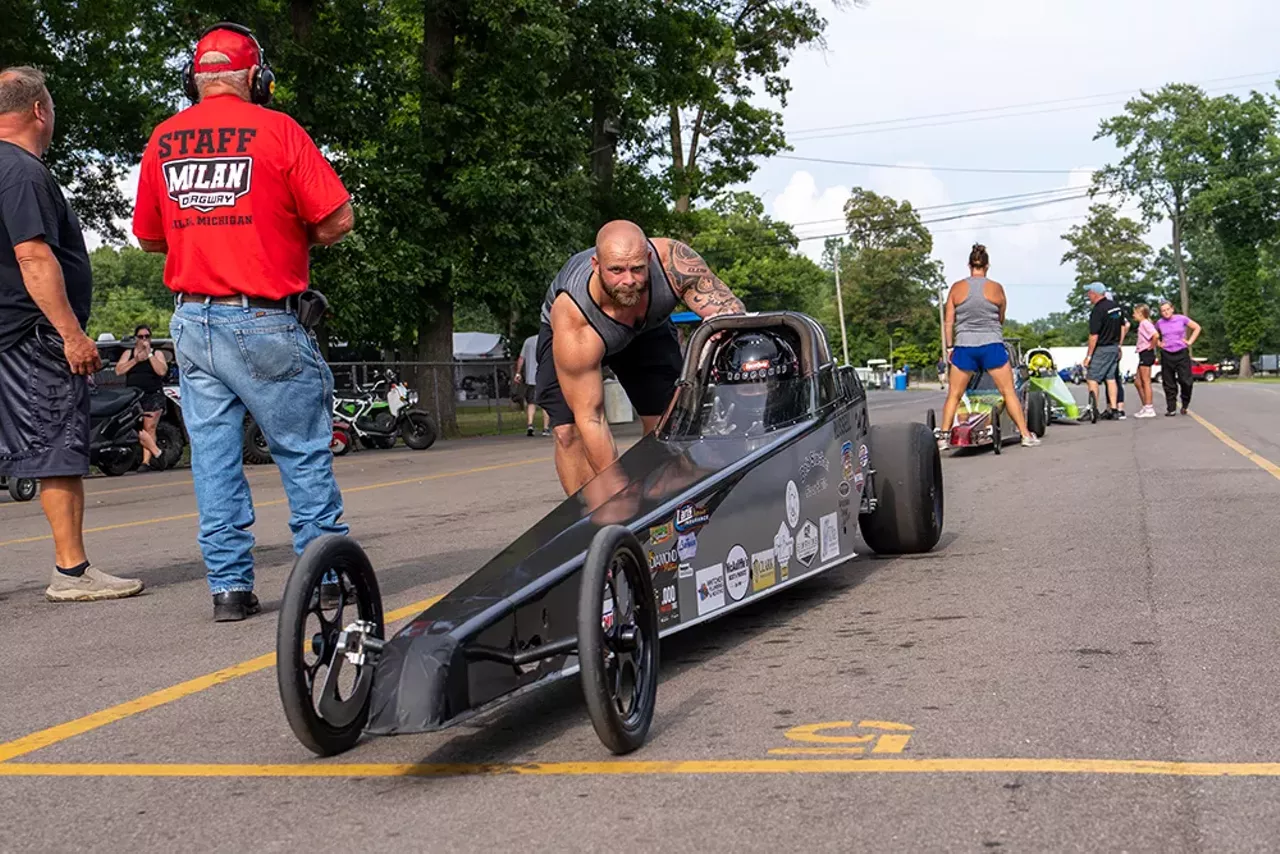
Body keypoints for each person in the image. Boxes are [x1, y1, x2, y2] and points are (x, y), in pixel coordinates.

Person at [132, 23, 355, 621]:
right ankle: (328, 579)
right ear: (257, 78)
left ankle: (229, 589)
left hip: (192, 323)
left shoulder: (163, 139)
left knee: (213, 460)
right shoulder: (279, 130)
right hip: (263, 319)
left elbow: (151, 237)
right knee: (303, 450)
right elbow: (337, 219)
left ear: (195, 79)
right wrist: (278, 233)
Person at [0, 67, 143, 601]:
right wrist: (71, 333)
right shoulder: (20, 171)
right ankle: (72, 572)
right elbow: (33, 256)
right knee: (56, 444)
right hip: (28, 333)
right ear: (40, 110)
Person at [535, 220, 745, 497]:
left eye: (637, 268)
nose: (629, 280)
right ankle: (590, 520)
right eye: (616, 271)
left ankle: (662, 504)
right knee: (568, 430)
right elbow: (592, 417)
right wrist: (616, 486)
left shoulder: (673, 263)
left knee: (666, 425)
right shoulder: (573, 314)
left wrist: (724, 328)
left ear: (648, 259)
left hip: (648, 328)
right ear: (596, 266)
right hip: (585, 331)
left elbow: (732, 315)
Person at [938, 243, 1039, 449]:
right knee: (1008, 392)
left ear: (969, 265)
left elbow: (949, 321)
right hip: (991, 344)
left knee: (954, 395)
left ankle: (943, 438)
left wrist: (950, 348)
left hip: (964, 346)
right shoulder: (996, 288)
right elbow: (1001, 317)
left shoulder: (957, 288)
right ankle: (1026, 435)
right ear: (987, 266)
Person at [113, 324, 169, 467]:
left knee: (149, 427)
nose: (144, 339)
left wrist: (149, 354)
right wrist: (136, 360)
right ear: (136, 338)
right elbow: (119, 371)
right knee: (134, 429)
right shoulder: (128, 353)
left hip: (153, 395)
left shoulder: (157, 354)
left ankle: (146, 462)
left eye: (147, 336)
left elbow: (162, 371)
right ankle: (157, 453)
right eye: (141, 336)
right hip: (133, 396)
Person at [1082, 283, 1127, 420]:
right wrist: (1119, 345)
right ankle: (1114, 409)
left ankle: (1093, 409)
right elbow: (1123, 326)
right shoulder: (1116, 307)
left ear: (1095, 293)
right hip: (1114, 347)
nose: (1088, 296)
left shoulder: (1098, 310)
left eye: (1089, 293)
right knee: (1111, 378)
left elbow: (1094, 335)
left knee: (1092, 378)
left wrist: (1089, 356)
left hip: (1102, 348)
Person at [1155, 300, 1201, 416]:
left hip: (1181, 352)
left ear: (1172, 309)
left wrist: (1190, 341)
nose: (1166, 312)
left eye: (1167, 309)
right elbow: (1153, 334)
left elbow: (1197, 328)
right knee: (1169, 382)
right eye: (1163, 311)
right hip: (1167, 353)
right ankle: (1171, 408)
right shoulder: (1159, 323)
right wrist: (1159, 343)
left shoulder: (1181, 318)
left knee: (1186, 381)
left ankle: (1185, 404)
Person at [513, 332, 548, 436]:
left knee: (531, 403)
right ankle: (545, 428)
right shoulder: (548, 340)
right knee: (545, 404)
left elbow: (521, 358)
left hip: (531, 377)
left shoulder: (528, 341)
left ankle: (530, 425)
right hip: (545, 377)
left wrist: (518, 373)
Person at [1131, 304, 1161, 418]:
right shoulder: (1143, 324)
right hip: (1142, 353)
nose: (1133, 315)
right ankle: (1145, 406)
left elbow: (1156, 335)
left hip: (1146, 353)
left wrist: (1151, 346)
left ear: (1140, 313)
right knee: (1137, 382)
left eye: (1135, 312)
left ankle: (1149, 408)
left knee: (1145, 381)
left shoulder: (1145, 323)